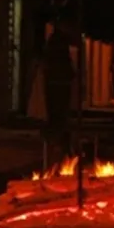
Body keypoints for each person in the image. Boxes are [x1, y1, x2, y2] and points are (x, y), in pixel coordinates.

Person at [43, 21, 75, 160]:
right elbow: (61, 62)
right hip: (58, 83)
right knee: (58, 112)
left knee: (57, 113)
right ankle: (58, 141)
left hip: (57, 82)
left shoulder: (55, 42)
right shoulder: (58, 42)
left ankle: (58, 140)